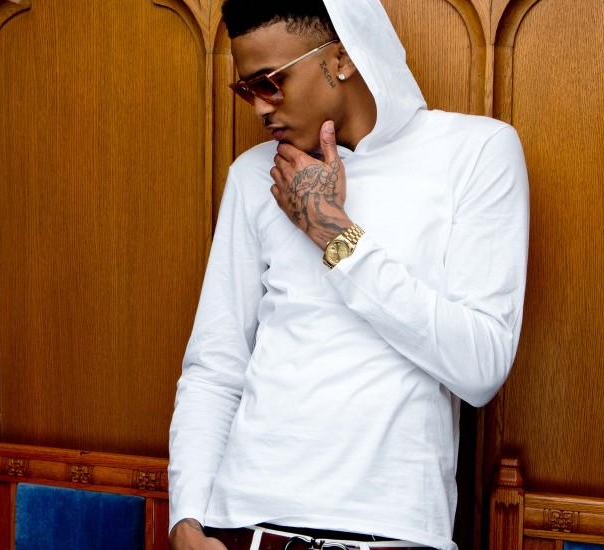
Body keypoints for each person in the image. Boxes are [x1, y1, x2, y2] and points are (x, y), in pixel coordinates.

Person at [168, 0, 529, 548]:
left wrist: (333, 233)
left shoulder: (476, 153)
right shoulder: (254, 177)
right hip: (244, 525)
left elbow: (480, 365)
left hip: (393, 533)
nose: (260, 108)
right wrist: (187, 518)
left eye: (270, 82)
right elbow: (215, 367)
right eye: (246, 89)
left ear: (340, 58)